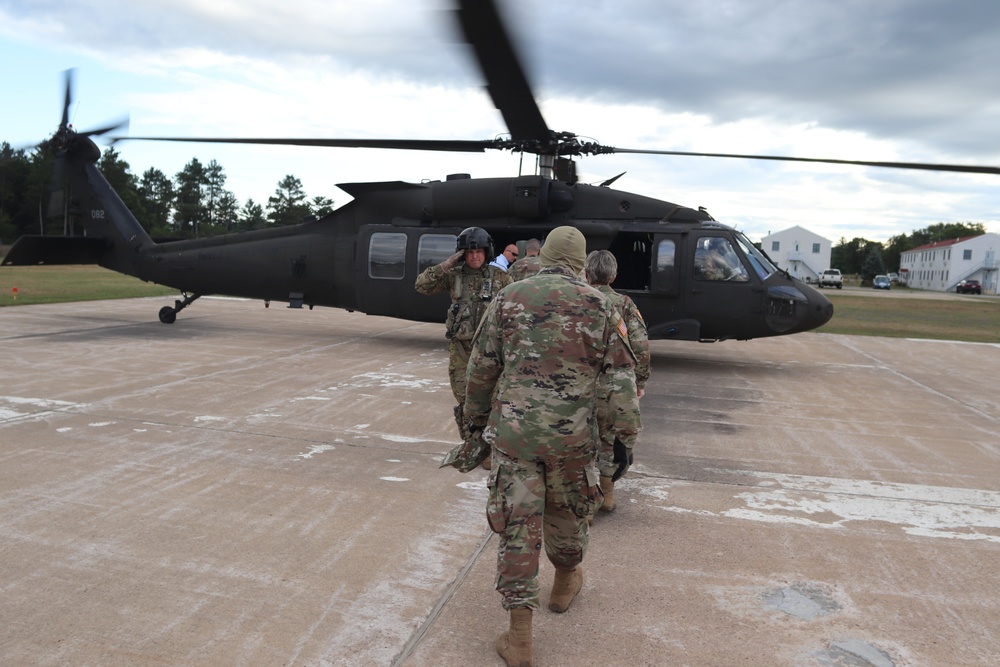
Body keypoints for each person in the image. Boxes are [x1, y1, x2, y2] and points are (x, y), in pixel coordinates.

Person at [449, 226, 640, 667]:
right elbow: (621, 384)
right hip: (573, 440)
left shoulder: (510, 297)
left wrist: (475, 426)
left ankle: (520, 639)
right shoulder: (603, 306)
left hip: (515, 439)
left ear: (547, 255)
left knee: (518, 530)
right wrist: (624, 439)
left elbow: (480, 369)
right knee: (568, 514)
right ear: (580, 262)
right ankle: (565, 581)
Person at [414, 227, 511, 442]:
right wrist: (446, 264)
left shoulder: (501, 278)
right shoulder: (453, 276)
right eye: (469, 252)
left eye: (479, 251)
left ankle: (488, 445)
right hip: (461, 349)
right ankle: (472, 443)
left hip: (490, 351)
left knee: (492, 397)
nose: (475, 256)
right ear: (462, 254)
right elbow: (421, 285)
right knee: (464, 396)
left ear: (487, 252)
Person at [584, 249, 650, 513]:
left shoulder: (578, 299)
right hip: (613, 384)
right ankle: (607, 492)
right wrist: (640, 381)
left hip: (581, 383)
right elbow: (640, 345)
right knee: (609, 438)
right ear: (614, 276)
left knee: (582, 439)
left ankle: (585, 504)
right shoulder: (624, 304)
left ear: (587, 274)